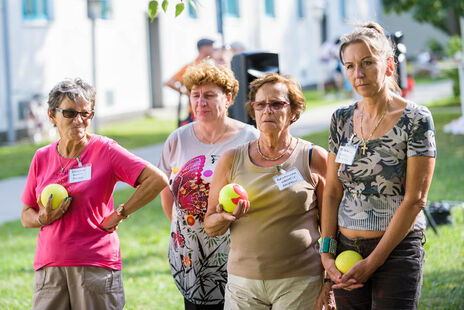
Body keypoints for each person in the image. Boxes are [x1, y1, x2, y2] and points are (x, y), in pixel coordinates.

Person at [20, 78, 168, 310]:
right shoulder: (41, 157)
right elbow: (26, 213)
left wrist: (120, 213)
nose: (79, 120)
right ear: (52, 115)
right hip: (50, 267)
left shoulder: (105, 150)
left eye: (86, 113)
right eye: (70, 113)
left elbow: (156, 179)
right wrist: (42, 219)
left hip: (95, 265)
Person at [320, 22, 436, 310]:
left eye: (367, 63)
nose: (357, 74)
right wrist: (326, 252)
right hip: (345, 249)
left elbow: (415, 199)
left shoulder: (416, 119)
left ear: (388, 65)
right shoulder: (341, 119)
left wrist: (374, 261)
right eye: (350, 66)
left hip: (395, 251)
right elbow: (332, 191)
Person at [204, 73, 334, 310]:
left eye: (277, 104)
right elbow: (210, 224)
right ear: (252, 111)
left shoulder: (313, 157)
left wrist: (329, 282)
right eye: (260, 104)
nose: (268, 111)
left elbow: (330, 229)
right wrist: (224, 218)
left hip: (300, 282)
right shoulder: (231, 159)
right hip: (243, 286)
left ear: (294, 111)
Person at [158, 61, 259, 309]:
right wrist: (181, 224)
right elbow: (163, 184)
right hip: (190, 254)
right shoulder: (178, 138)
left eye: (210, 95)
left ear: (228, 98)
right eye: (195, 95)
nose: (200, 102)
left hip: (236, 252)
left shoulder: (249, 138)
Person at [164, 38, 215, 127]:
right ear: (204, 48)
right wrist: (185, 93)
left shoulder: (214, 64)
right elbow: (169, 82)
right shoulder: (191, 66)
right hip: (196, 112)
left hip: (213, 110)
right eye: (210, 46)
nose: (213, 48)